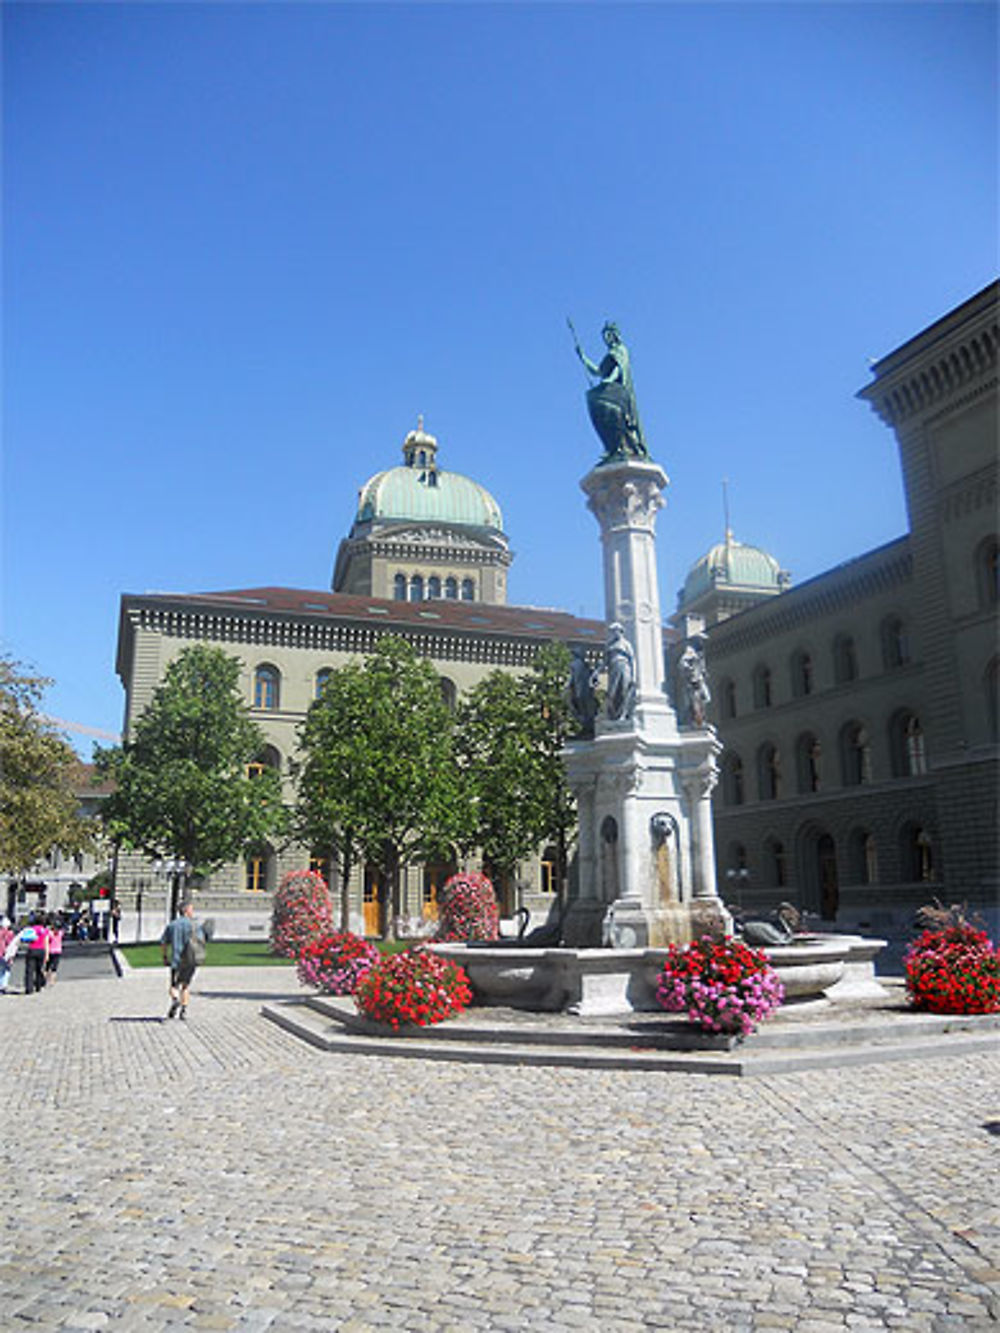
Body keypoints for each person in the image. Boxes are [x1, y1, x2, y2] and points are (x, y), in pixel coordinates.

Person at [160, 899, 205, 1021]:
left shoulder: (172, 925)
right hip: (190, 960)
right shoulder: (195, 925)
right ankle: (184, 1011)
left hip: (176, 960)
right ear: (186, 911)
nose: (192, 912)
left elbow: (163, 942)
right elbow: (201, 941)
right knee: (185, 986)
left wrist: (164, 956)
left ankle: (175, 1001)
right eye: (191, 909)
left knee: (174, 986)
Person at [605, 622, 637, 721]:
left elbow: (632, 659)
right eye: (612, 631)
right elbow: (605, 662)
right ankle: (614, 715)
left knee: (624, 690)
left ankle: (623, 714)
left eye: (615, 631)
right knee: (612, 693)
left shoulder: (626, 644)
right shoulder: (610, 645)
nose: (613, 633)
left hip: (624, 667)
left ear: (620, 631)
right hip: (613, 669)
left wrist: (634, 675)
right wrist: (596, 672)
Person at [24, 915, 50, 995]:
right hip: (41, 950)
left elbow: (27, 939)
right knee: (39, 969)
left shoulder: (32, 929)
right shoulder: (45, 930)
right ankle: (38, 986)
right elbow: (46, 943)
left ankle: (29, 988)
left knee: (30, 970)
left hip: (32, 949)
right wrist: (47, 954)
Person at [44, 914, 64, 987]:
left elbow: (46, 942)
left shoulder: (49, 933)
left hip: (50, 951)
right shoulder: (60, 933)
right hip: (58, 951)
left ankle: (45, 980)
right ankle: (52, 981)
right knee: (54, 968)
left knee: (47, 967)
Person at [0, 916, 16, 994]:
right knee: (6, 970)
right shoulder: (10, 934)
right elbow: (11, 945)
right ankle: (3, 986)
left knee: (1, 970)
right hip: (6, 953)